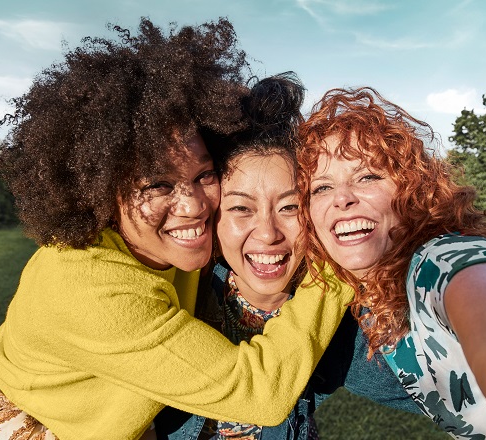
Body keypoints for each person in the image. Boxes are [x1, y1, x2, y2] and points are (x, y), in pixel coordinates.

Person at [0, 19, 354, 440]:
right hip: (41, 421)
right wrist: (339, 263)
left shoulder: (158, 239)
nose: (193, 206)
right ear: (101, 188)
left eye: (205, 175)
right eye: (157, 185)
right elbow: (257, 394)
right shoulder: (92, 292)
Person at [297, 86, 486, 439]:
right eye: (321, 187)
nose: (342, 198)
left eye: (367, 176)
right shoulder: (358, 301)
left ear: (410, 189)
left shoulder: (438, 260)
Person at [154, 74, 419, 440]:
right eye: (241, 208)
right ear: (212, 218)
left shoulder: (339, 326)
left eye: (290, 207)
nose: (267, 233)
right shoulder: (171, 297)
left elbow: (438, 386)